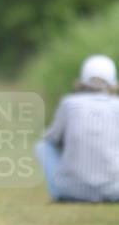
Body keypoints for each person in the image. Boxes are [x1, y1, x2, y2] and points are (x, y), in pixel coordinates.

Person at [35, 55, 119, 202]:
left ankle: (59, 190)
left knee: (42, 145)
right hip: (114, 191)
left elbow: (51, 139)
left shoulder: (69, 104)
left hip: (71, 191)